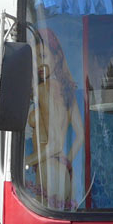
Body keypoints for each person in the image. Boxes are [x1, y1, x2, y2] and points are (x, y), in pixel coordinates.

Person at [25, 29, 84, 209]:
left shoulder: (43, 90)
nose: (39, 64)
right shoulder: (68, 92)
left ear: (57, 58)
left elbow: (55, 144)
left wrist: (25, 163)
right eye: (36, 59)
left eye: (43, 56)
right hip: (64, 176)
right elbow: (80, 136)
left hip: (48, 173)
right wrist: (66, 161)